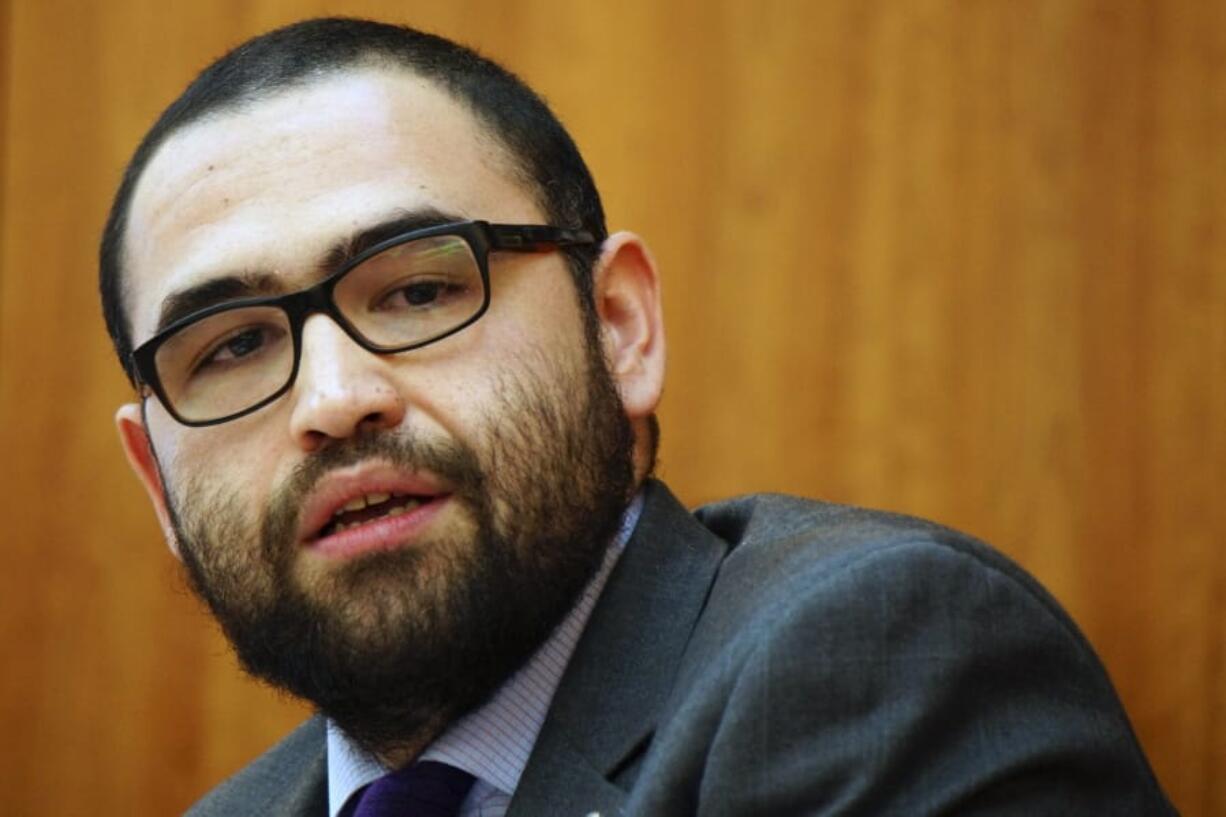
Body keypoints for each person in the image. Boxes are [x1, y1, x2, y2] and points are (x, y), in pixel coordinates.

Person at [100, 16, 1175, 817]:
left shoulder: (872, 669)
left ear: (617, 327)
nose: (333, 402)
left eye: (418, 289)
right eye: (233, 347)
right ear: (158, 481)